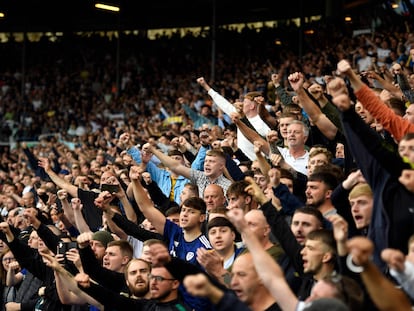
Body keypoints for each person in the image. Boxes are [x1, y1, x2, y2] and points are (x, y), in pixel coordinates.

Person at [197, 77, 271, 161]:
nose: (242, 104)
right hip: (241, 159)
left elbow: (271, 146)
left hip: (258, 163)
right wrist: (205, 86)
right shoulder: (239, 116)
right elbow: (223, 103)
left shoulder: (262, 123)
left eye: (245, 102)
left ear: (252, 106)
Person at [144, 143, 232, 198]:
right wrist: (153, 150)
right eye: (205, 161)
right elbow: (175, 166)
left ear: (221, 166)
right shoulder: (200, 176)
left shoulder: (228, 186)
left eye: (212, 161)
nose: (207, 164)